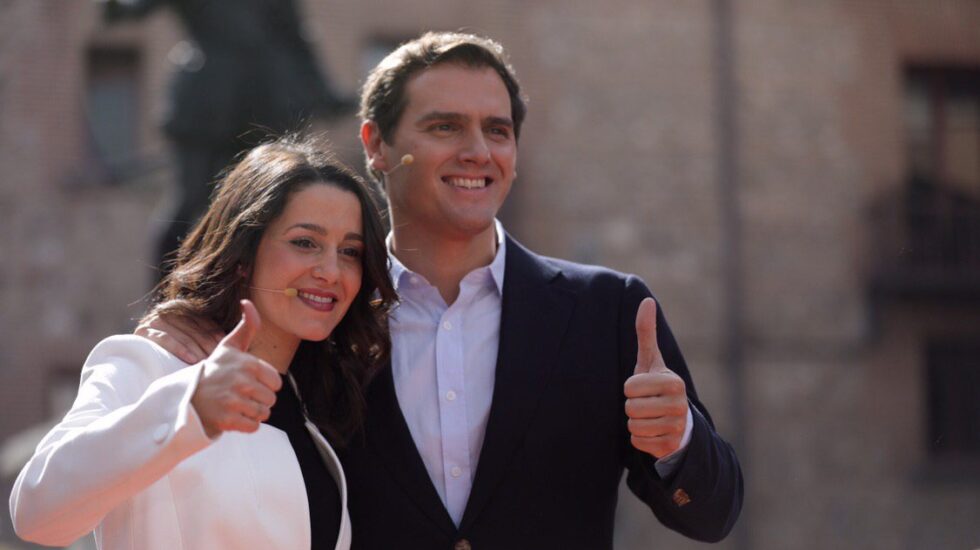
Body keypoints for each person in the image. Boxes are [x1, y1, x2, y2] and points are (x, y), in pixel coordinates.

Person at [138, 32, 744, 549]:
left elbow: (712, 514)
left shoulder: (608, 311)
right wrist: (182, 345)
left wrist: (678, 440)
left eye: (497, 130)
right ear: (376, 145)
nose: (478, 151)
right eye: (446, 126)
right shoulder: (322, 316)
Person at [9, 137, 396, 550]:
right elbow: (36, 511)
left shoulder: (320, 401)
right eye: (305, 242)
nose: (331, 271)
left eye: (350, 251)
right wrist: (190, 408)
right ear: (244, 254)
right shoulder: (150, 365)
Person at [99, 0, 358, 280]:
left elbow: (294, 35)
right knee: (191, 200)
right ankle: (162, 297)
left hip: (264, 100)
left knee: (265, 203)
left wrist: (324, 92)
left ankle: (247, 290)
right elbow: (128, 11)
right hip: (208, 97)